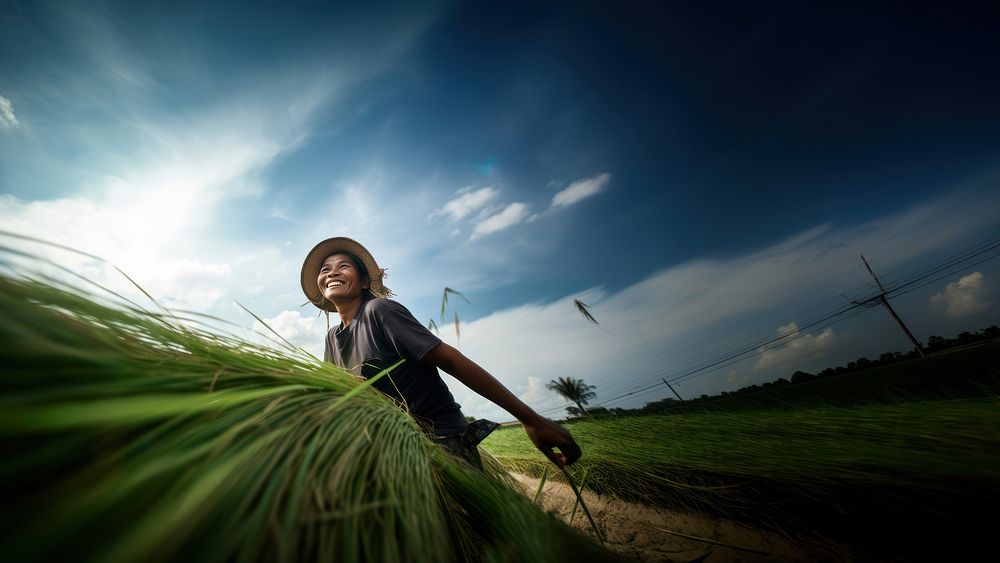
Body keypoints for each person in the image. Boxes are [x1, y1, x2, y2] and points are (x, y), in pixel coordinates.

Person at [301, 237, 581, 470]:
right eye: (325, 269)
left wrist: (530, 419)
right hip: (391, 453)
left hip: (441, 445)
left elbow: (452, 361)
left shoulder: (380, 312)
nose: (332, 272)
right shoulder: (331, 339)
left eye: (343, 266)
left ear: (364, 282)